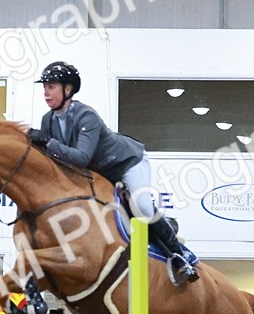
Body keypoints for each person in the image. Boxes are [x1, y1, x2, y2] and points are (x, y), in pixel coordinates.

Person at [27, 61, 199, 285]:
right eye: (45, 87)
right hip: (100, 174)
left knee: (142, 206)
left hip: (127, 163)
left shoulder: (86, 116)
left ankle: (180, 257)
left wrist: (48, 143)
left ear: (68, 89)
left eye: (51, 87)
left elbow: (81, 157)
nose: (46, 92)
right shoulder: (48, 120)